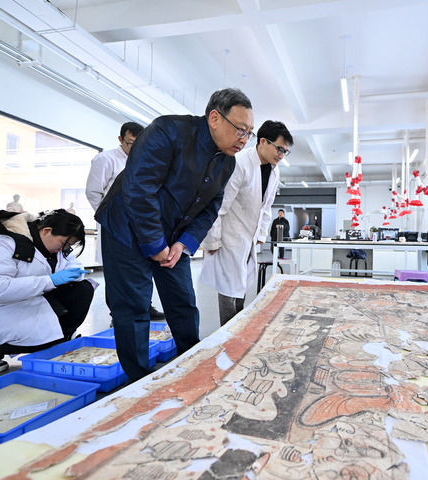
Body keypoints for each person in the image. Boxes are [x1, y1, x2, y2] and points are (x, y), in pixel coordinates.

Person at [95, 88, 254, 381]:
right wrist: (155, 244)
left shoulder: (226, 162)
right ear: (215, 118)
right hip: (126, 228)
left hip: (173, 237)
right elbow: (139, 190)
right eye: (240, 130)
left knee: (183, 301)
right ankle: (139, 382)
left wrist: (184, 243)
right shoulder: (168, 131)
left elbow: (211, 208)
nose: (244, 139)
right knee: (133, 306)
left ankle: (190, 365)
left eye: (249, 133)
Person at [0, 209, 93, 375]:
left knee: (81, 290)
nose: (64, 249)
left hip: (18, 301)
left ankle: (62, 337)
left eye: (68, 246)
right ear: (47, 231)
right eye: (64, 243)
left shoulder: (52, 247)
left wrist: (72, 273)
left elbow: (72, 264)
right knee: (48, 338)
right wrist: (49, 281)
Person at [201, 121, 293, 325]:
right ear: (263, 141)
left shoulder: (274, 170)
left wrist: (261, 234)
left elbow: (266, 206)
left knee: (241, 284)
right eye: (279, 149)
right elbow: (219, 206)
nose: (281, 155)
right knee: (228, 287)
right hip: (228, 236)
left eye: (285, 151)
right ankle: (227, 331)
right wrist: (212, 240)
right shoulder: (239, 163)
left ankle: (237, 325)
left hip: (248, 237)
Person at [85, 121, 164, 320]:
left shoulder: (145, 160)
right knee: (116, 273)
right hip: (114, 226)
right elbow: (93, 192)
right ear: (120, 139)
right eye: (130, 143)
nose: (135, 148)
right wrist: (111, 218)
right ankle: (117, 313)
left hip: (139, 226)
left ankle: (145, 307)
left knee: (141, 269)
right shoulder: (106, 159)